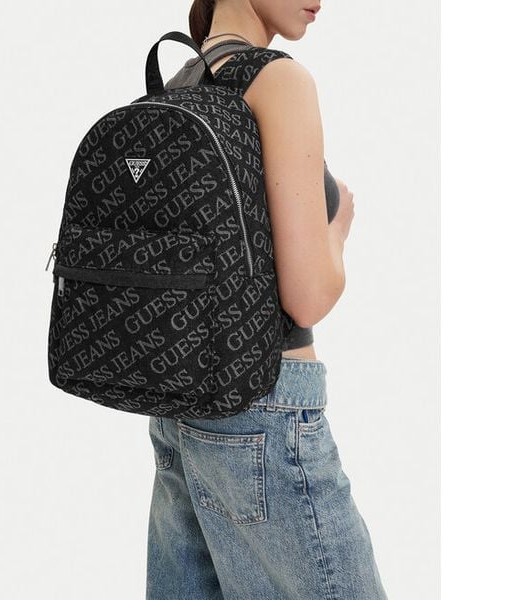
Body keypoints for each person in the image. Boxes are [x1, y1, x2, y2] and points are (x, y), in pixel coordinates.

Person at [146, 1, 388, 598]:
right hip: (268, 405)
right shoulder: (278, 80)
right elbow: (306, 296)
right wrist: (337, 230)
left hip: (180, 409)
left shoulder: (180, 81)